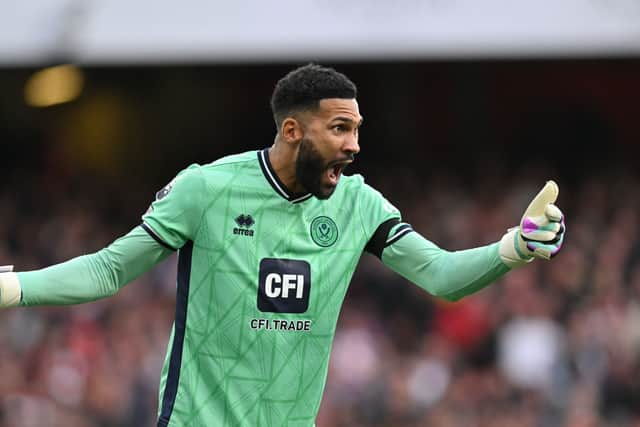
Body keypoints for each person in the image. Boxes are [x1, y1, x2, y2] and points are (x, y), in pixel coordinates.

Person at [0, 64, 565, 427]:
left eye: (358, 129)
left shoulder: (359, 205)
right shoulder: (207, 188)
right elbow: (108, 271)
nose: (354, 145)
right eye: (340, 129)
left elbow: (441, 275)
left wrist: (515, 247)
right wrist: (13, 287)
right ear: (293, 131)